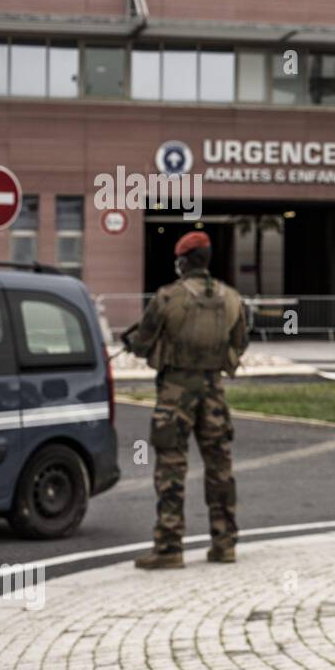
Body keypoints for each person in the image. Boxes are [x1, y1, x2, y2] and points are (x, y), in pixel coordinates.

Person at [126, 231, 248, 569]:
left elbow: (142, 344)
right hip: (214, 393)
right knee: (220, 468)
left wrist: (137, 342)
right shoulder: (232, 299)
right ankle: (224, 544)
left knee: (171, 470)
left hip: (175, 394)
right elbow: (240, 342)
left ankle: (169, 548)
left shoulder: (167, 298)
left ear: (182, 262)